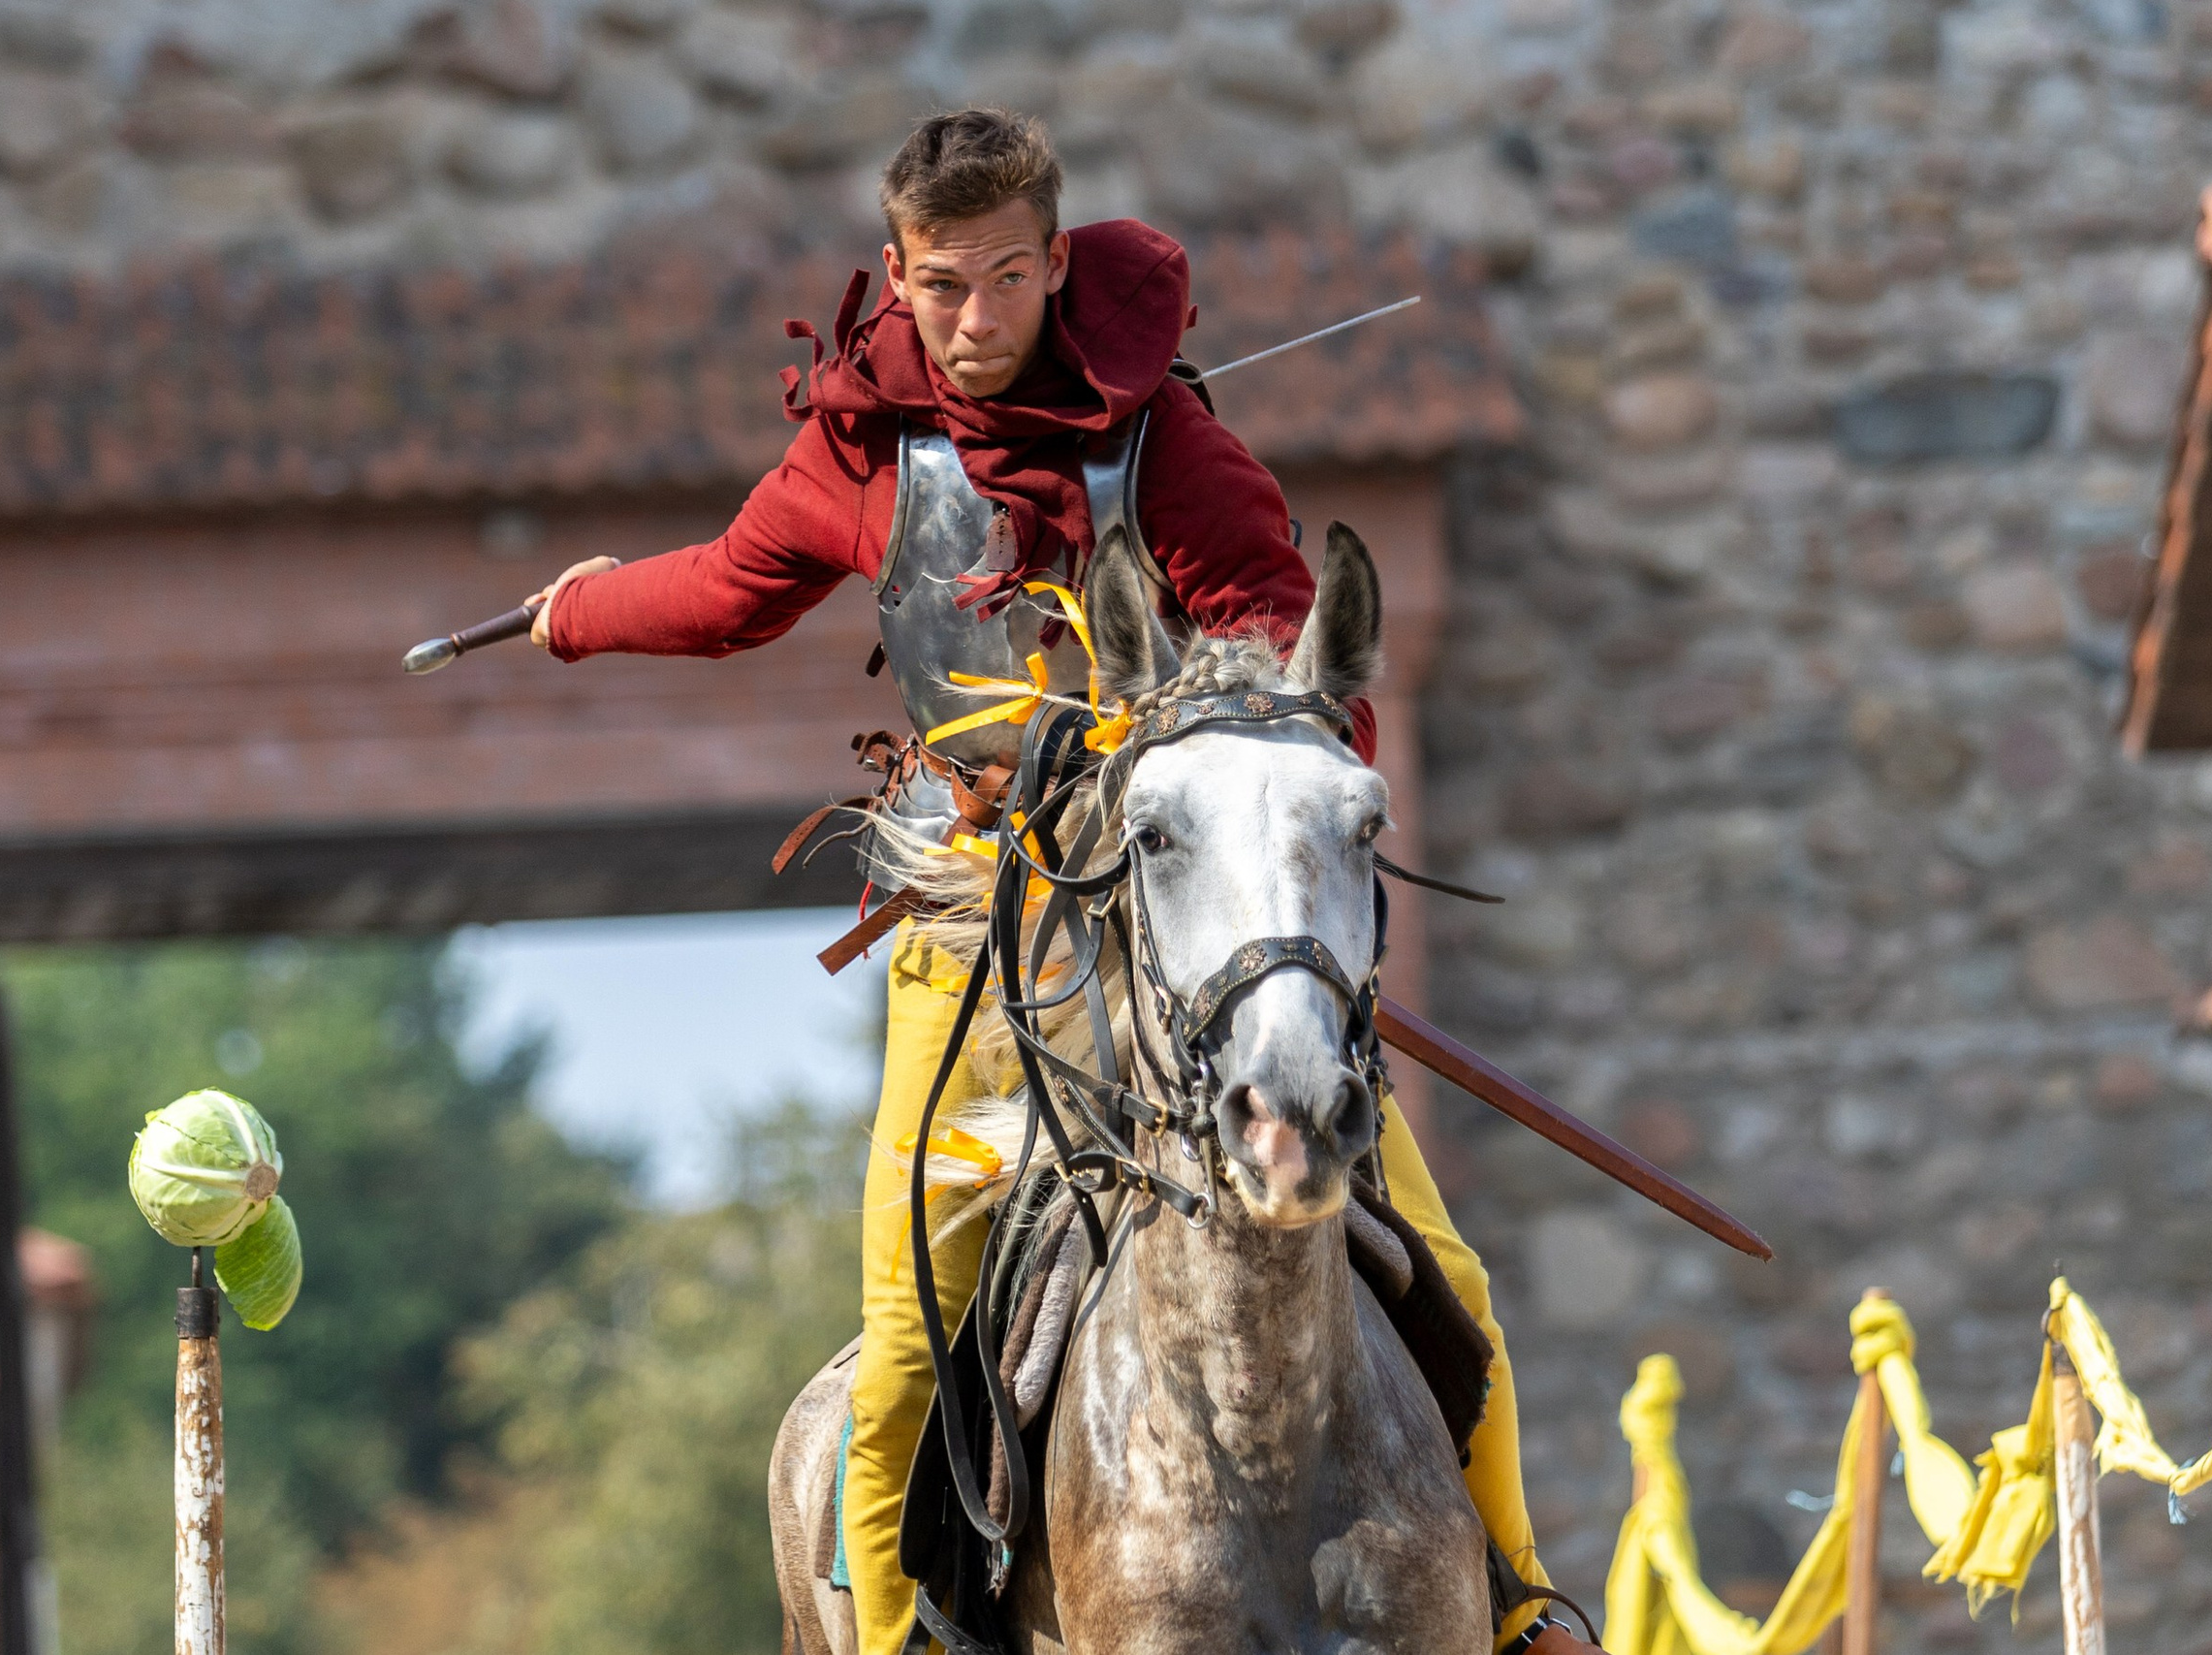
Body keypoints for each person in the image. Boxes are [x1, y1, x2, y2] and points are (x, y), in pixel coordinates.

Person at [530, 107, 1555, 1654]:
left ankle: (1523, 1601)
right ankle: (886, 1640)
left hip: (1180, 938)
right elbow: (735, 590)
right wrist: (581, 612)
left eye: (1008, 279)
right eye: (944, 285)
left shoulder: (1169, 443)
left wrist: (1268, 803)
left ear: (1056, 261)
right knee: (897, 1351)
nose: (975, 318)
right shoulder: (862, 448)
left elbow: (1285, 633)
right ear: (898, 273)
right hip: (979, 943)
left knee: (1446, 1270)